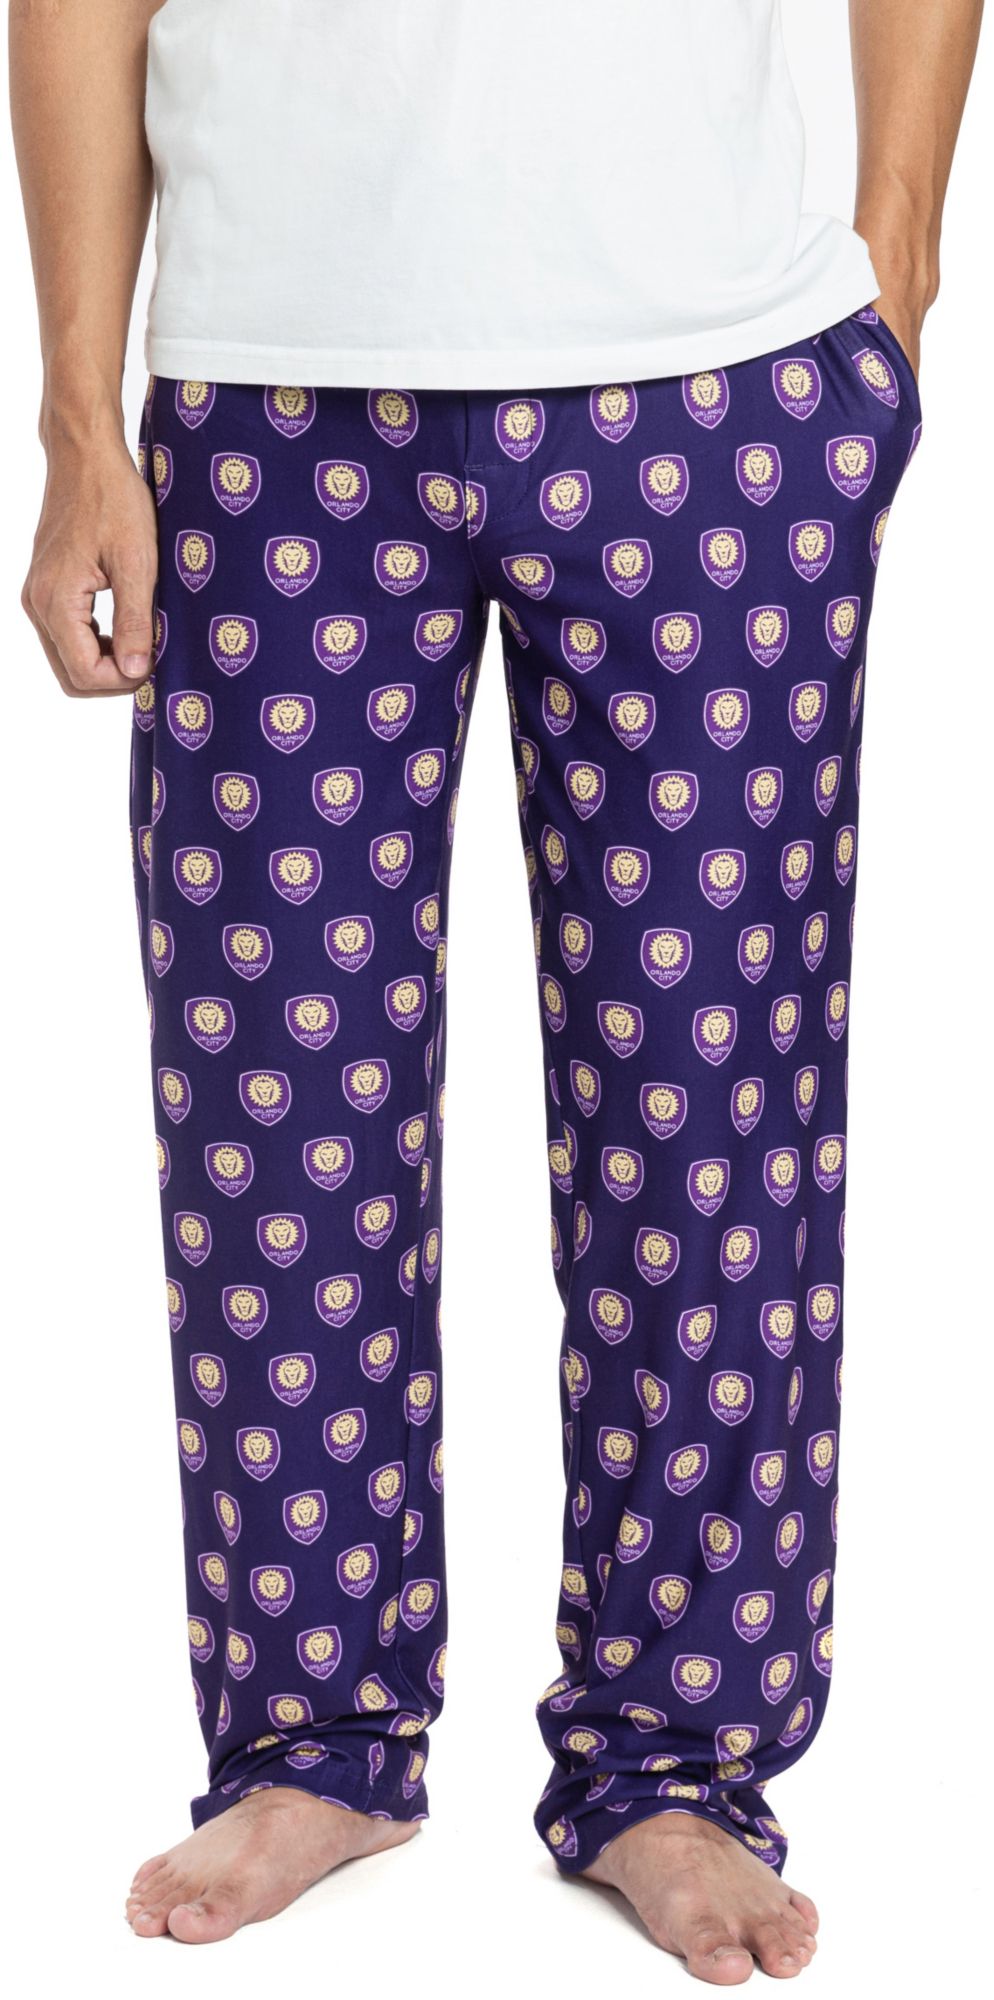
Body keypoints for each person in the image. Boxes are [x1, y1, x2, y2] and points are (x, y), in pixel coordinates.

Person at [10, 0, 983, 1980]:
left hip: (711, 386)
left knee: (706, 1135)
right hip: (272, 397)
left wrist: (896, 254)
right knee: (276, 1127)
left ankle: (676, 1760)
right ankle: (310, 1740)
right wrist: (82, 420)